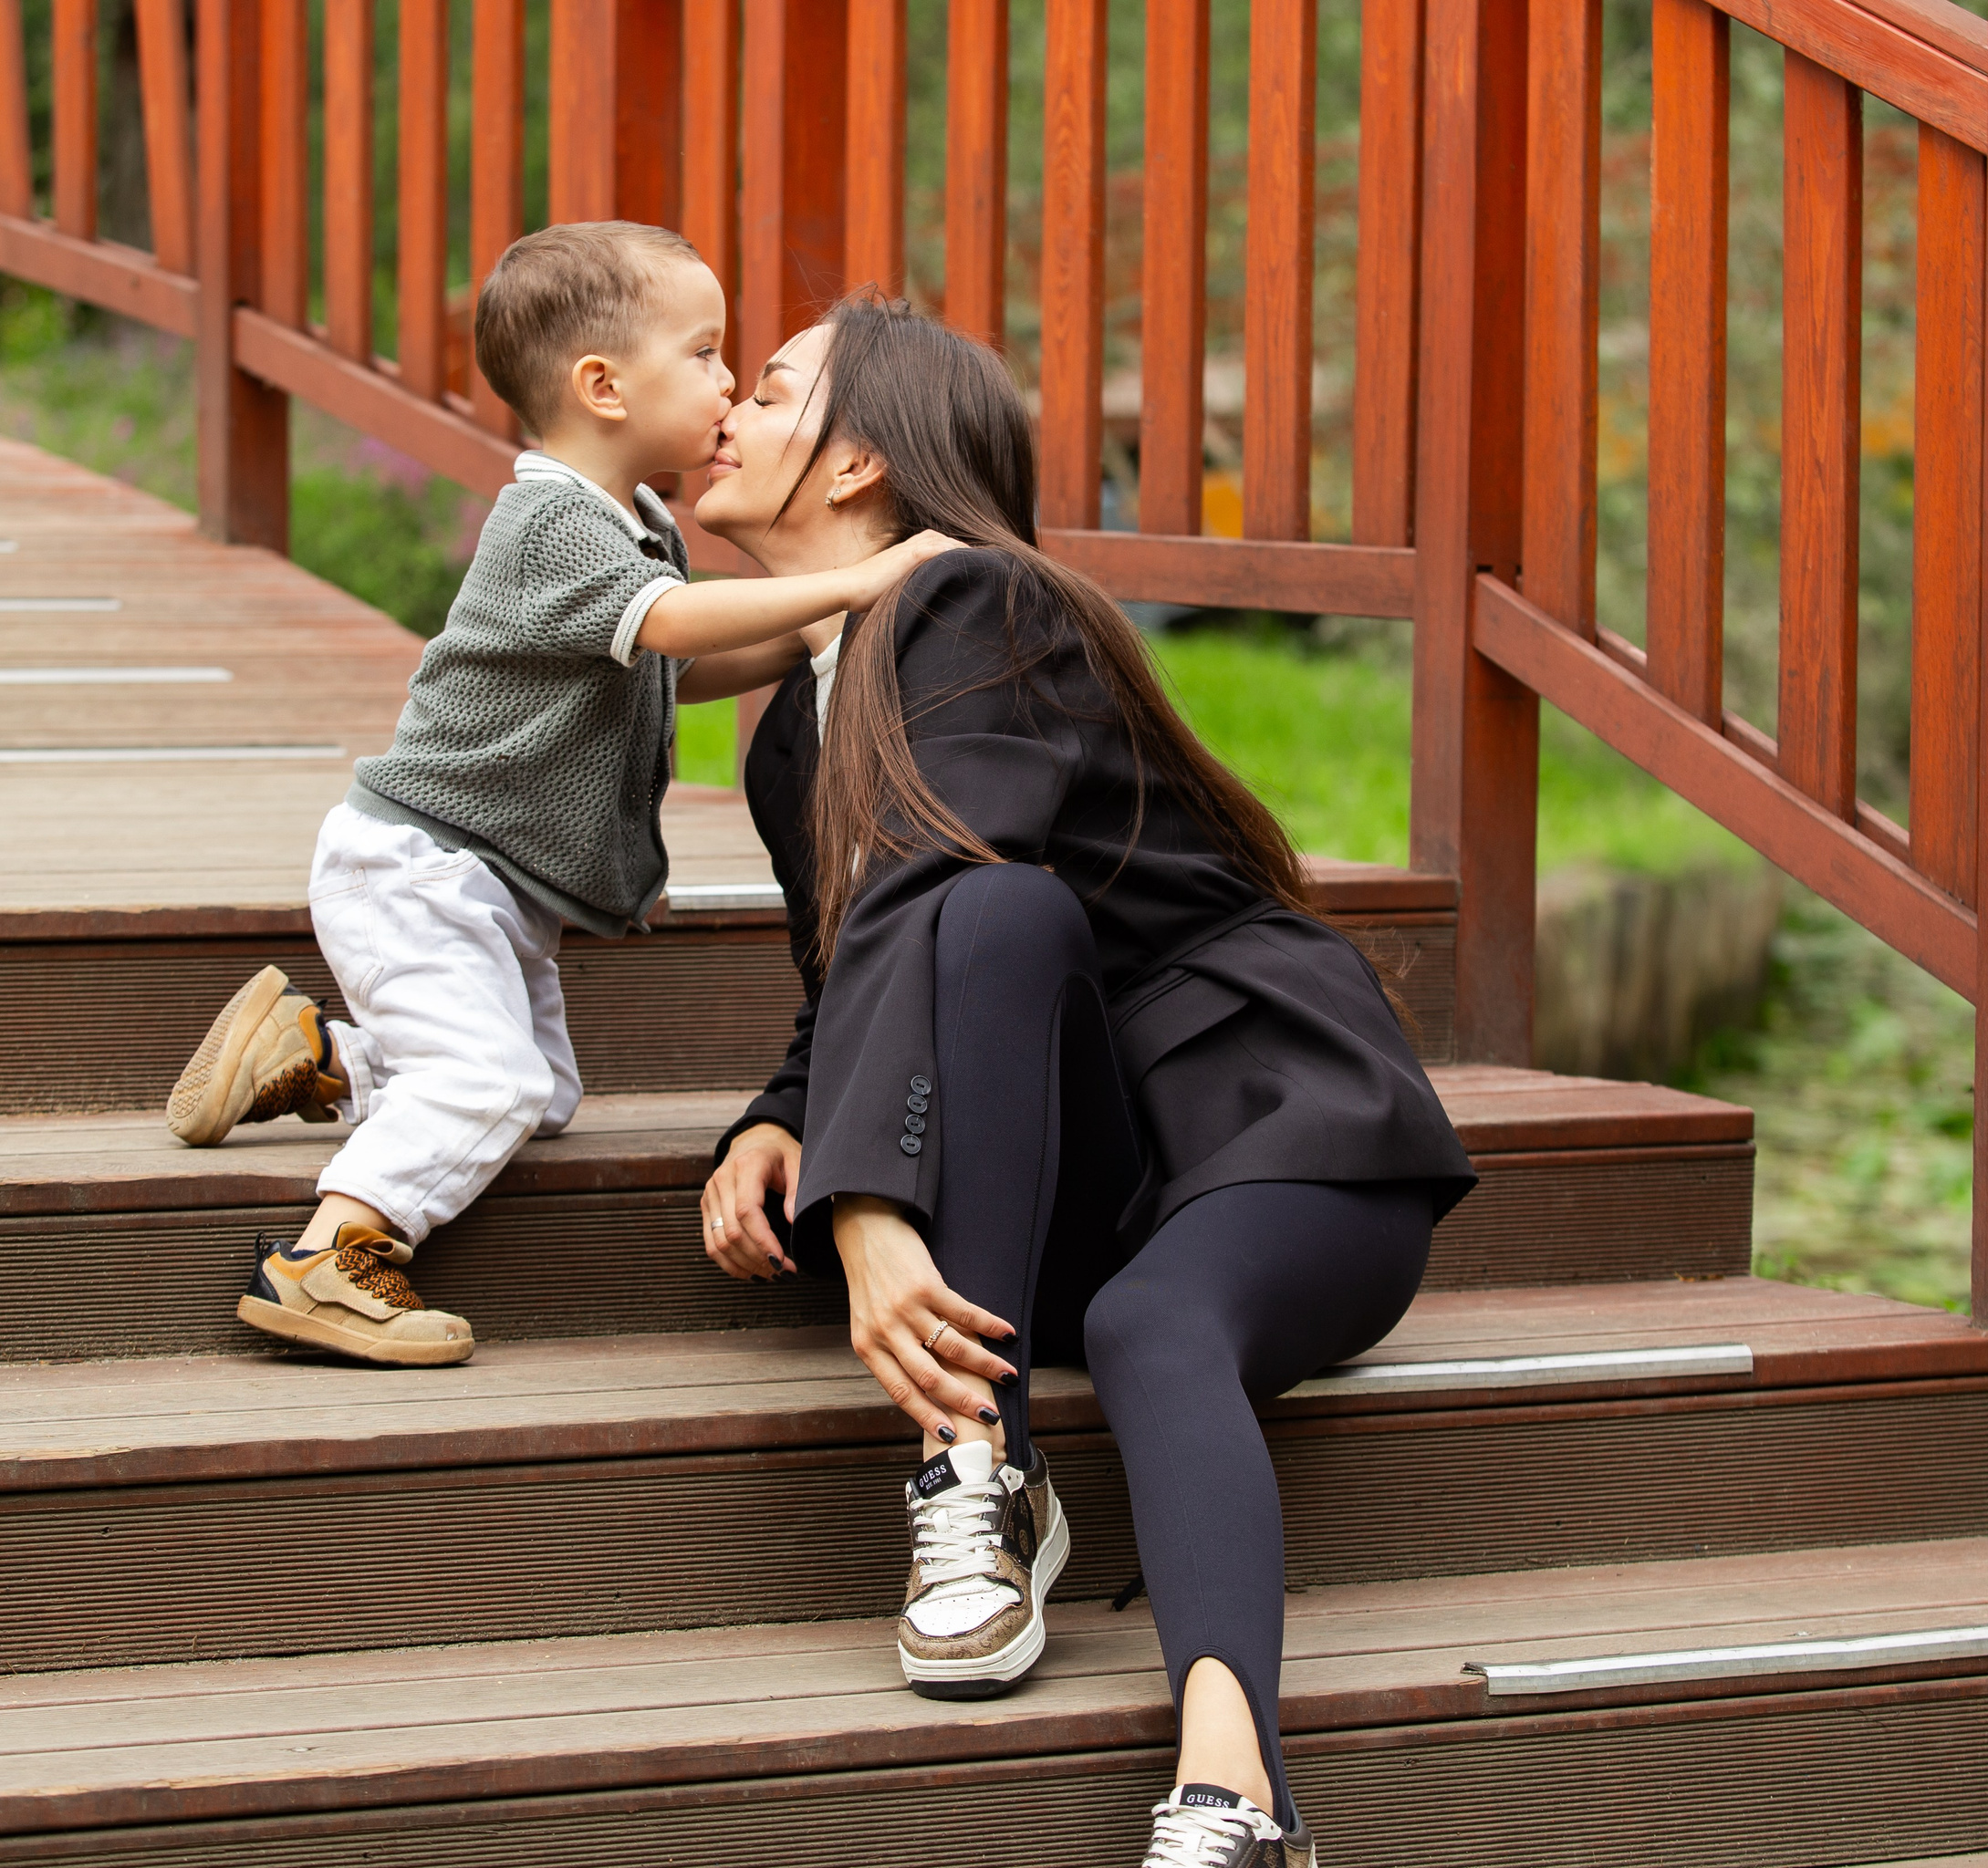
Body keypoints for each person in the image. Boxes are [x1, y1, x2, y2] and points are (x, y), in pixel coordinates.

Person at [694, 295, 1474, 1868]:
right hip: (1098, 1151)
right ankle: (985, 1472)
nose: (725, 407)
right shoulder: (796, 727)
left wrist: (866, 1204)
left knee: (1144, 1313)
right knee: (994, 913)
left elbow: (929, 899)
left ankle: (1234, 1794)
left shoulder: (983, 601)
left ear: (857, 460)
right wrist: (785, 1113)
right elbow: (866, 961)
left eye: (768, 387)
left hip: (1276, 1122)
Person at [162, 223, 949, 1368]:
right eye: (705, 355)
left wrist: (811, 635)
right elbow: (673, 625)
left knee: (542, 1094)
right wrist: (864, 575)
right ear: (602, 386)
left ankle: (320, 1054)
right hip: (422, 866)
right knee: (486, 1078)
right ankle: (329, 1256)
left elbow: (669, 671)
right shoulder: (550, 521)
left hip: (483, 882)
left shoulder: (637, 523)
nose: (727, 387)